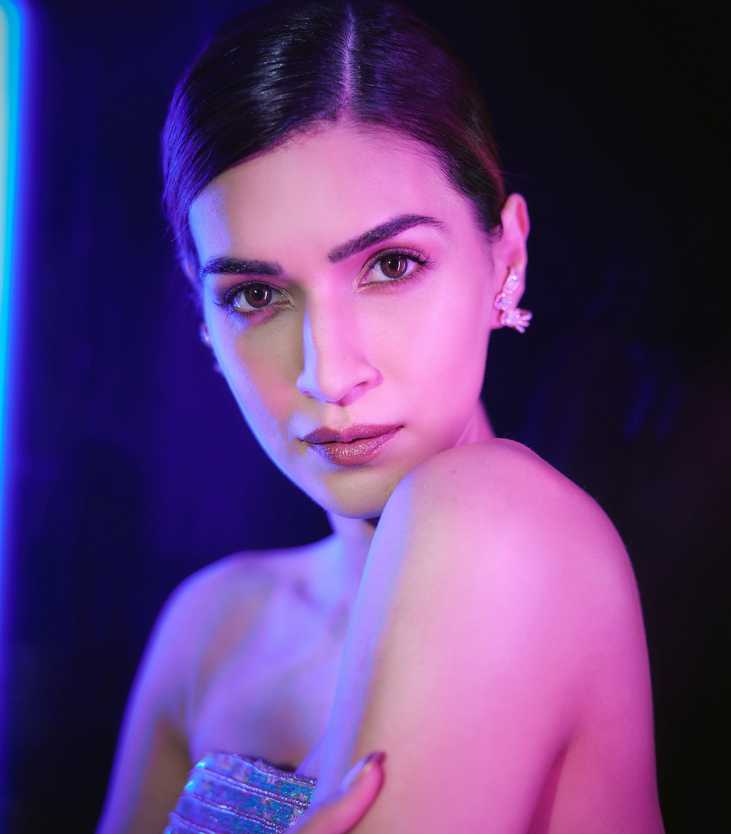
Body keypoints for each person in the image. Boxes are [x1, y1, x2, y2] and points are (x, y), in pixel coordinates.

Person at [96, 0, 666, 832]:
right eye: (254, 296)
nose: (330, 374)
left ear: (506, 258)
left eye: (392, 265)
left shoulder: (500, 523)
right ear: (204, 319)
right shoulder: (211, 624)